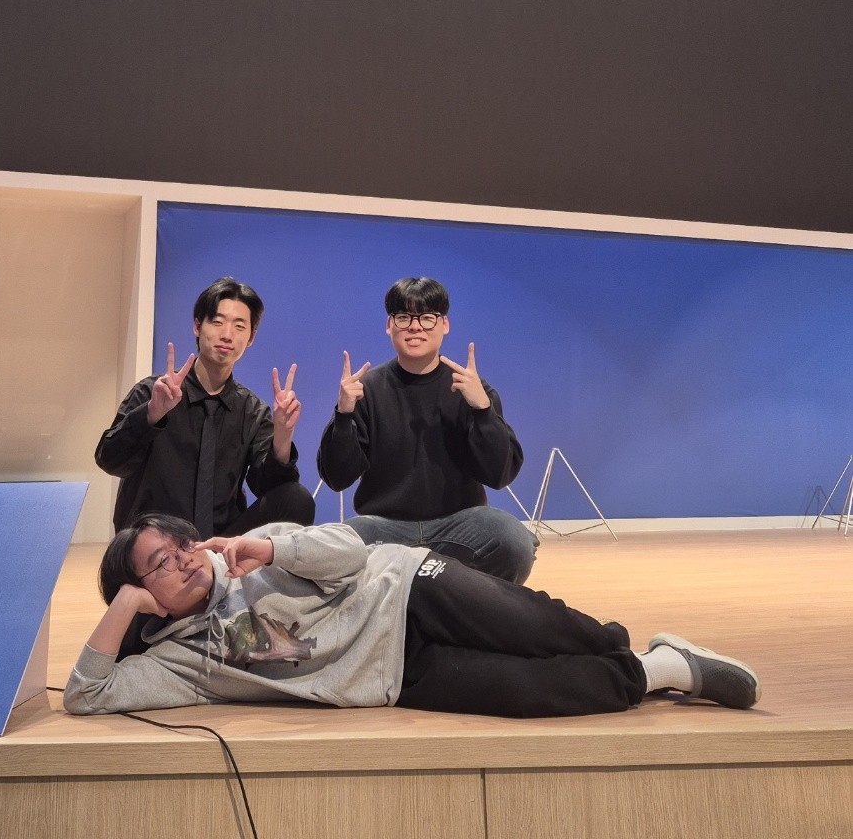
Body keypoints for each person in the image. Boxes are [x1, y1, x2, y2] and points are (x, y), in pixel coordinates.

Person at [63, 515, 762, 718]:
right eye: (159, 563)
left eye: (180, 543)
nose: (184, 559)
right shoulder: (182, 661)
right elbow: (87, 694)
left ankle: (622, 647)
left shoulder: (250, 549)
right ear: (140, 594)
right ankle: (663, 667)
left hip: (406, 587)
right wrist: (124, 606)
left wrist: (274, 547)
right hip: (395, 673)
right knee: (534, 693)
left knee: (542, 629)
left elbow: (349, 553)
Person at [316, 276, 538, 585]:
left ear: (444, 324)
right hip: (384, 527)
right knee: (332, 549)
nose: (415, 327)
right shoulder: (365, 389)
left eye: (427, 317)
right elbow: (337, 478)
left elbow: (500, 475)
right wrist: (343, 416)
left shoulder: (470, 389)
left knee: (513, 540)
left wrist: (482, 410)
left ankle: (465, 603)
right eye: (404, 317)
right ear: (389, 325)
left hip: (458, 526)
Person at [96, 277, 315, 537]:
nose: (227, 335)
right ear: (197, 326)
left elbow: (268, 487)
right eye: (217, 322)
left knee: (297, 499)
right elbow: (110, 461)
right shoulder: (153, 392)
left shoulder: (252, 411)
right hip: (155, 538)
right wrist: (151, 414)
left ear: (251, 338)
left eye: (239, 326)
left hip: (219, 544)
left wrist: (282, 437)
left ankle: (221, 560)